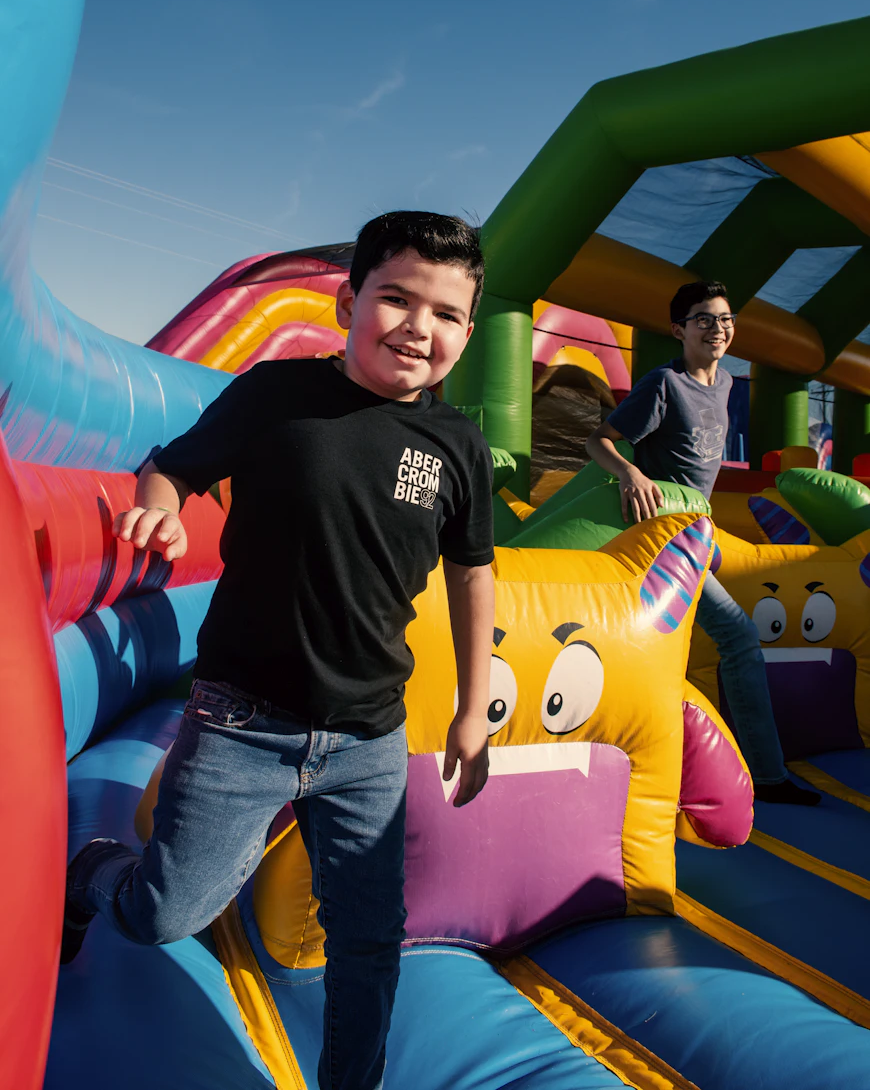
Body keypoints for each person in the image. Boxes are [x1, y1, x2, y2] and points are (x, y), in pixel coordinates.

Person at [61, 212, 497, 1090]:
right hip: (242, 723)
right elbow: (172, 464)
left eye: (446, 313)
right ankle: (98, 870)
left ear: (468, 333)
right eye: (397, 298)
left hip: (369, 737)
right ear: (349, 302)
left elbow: (472, 574)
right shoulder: (275, 396)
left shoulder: (456, 446)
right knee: (163, 915)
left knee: (371, 943)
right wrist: (161, 505)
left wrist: (472, 708)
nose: (419, 326)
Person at [586, 279, 818, 806]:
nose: (718, 328)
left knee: (697, 648)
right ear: (679, 329)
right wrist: (629, 475)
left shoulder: (728, 384)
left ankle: (700, 769)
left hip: (701, 532)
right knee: (738, 638)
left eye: (725, 319)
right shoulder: (663, 384)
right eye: (705, 319)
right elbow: (598, 439)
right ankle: (768, 776)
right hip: (664, 538)